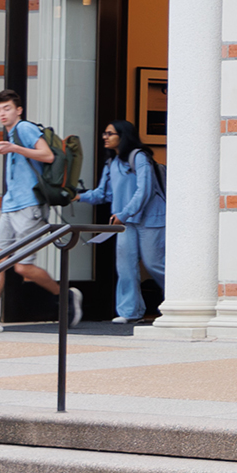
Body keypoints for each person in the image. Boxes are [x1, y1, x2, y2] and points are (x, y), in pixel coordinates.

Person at [0, 90, 81, 333]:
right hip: (11, 205)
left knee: (22, 267)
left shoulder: (25, 128)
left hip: (30, 206)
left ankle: (66, 294)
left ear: (18, 109)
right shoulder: (11, 135)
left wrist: (14, 149)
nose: (2, 114)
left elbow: (47, 155)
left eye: (6, 108)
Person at [73, 120, 167, 324]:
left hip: (150, 219)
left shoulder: (139, 157)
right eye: (104, 134)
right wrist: (78, 197)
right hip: (125, 222)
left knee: (154, 264)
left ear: (123, 136)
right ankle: (129, 311)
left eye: (110, 134)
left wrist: (123, 214)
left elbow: (145, 190)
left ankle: (176, 300)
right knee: (125, 267)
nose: (105, 137)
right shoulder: (111, 163)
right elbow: (103, 194)